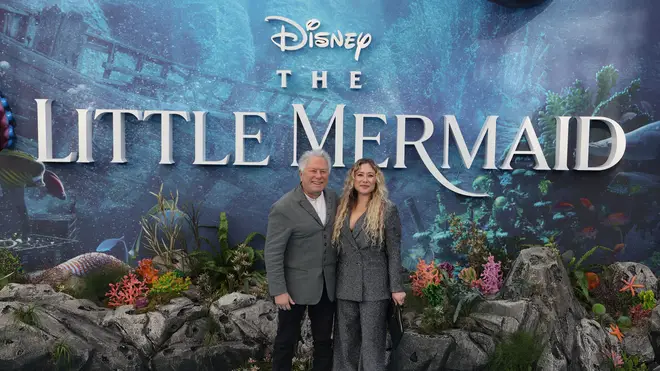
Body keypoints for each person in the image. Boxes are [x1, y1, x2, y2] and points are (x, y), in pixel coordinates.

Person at [264, 148, 338, 371]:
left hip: (327, 287)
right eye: (313, 171)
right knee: (286, 341)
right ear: (301, 174)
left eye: (323, 171)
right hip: (293, 290)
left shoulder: (334, 198)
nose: (318, 176)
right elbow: (273, 252)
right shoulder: (284, 207)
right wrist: (279, 291)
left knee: (324, 342)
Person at [331, 158, 406, 371]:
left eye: (370, 175)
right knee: (345, 344)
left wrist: (397, 288)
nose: (365, 179)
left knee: (373, 345)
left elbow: (394, 252)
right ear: (353, 178)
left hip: (375, 288)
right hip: (345, 286)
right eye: (360, 174)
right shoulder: (342, 207)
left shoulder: (387, 210)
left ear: (376, 180)